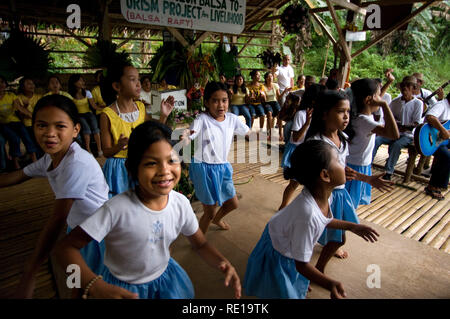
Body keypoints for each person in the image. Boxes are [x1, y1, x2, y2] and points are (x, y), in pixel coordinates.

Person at [55, 120, 241, 299]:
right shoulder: (116, 209)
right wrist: (93, 284)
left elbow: (200, 244)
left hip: (166, 282)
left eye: (172, 160)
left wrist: (221, 262)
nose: (164, 170)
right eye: (151, 163)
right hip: (123, 287)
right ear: (133, 168)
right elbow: (65, 248)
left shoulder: (180, 204)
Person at [0, 94, 109, 298]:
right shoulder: (51, 158)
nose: (50, 133)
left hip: (97, 233)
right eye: (42, 125)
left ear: (76, 130)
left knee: (96, 280)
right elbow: (18, 176)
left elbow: (57, 218)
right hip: (77, 228)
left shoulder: (77, 163)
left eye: (60, 126)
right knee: (76, 278)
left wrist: (31, 271)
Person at [243, 140, 379, 299]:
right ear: (325, 175)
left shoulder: (323, 196)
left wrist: (352, 227)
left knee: (291, 279)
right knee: (280, 290)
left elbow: (324, 220)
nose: (344, 166)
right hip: (279, 248)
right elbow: (301, 265)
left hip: (283, 234)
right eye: (339, 161)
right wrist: (330, 284)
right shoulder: (307, 215)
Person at [305, 91, 391, 269]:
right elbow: (312, 176)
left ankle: (318, 266)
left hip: (339, 194)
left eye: (348, 112)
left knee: (337, 237)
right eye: (340, 111)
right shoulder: (317, 143)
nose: (346, 116)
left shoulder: (342, 138)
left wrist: (367, 179)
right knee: (318, 236)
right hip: (322, 196)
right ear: (324, 114)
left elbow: (344, 170)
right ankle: (313, 269)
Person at [183, 82, 250, 233]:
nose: (220, 105)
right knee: (209, 211)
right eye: (215, 100)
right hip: (203, 168)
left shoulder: (232, 119)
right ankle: (199, 242)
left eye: (224, 100)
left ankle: (217, 220)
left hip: (222, 166)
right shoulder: (202, 119)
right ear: (206, 102)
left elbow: (247, 132)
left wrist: (265, 136)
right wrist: (185, 137)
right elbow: (190, 133)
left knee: (233, 203)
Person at [100, 63, 174, 198]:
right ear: (117, 86)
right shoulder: (107, 114)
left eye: (138, 79)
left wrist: (163, 115)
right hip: (118, 170)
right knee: (121, 207)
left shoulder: (140, 107)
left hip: (139, 164)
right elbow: (106, 152)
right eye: (132, 79)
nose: (138, 84)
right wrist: (119, 146)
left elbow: (152, 133)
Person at [344, 79, 398, 208]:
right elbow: (394, 134)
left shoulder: (361, 116)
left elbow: (372, 99)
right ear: (369, 100)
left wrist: (386, 85)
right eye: (378, 95)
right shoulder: (364, 121)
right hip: (356, 167)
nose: (381, 98)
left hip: (358, 164)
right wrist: (385, 105)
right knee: (348, 206)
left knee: (348, 205)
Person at [279, 84, 326, 210]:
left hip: (310, 152)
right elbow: (295, 138)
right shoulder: (301, 114)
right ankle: (283, 207)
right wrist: (306, 124)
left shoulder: (320, 114)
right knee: (294, 183)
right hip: (298, 152)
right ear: (313, 100)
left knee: (309, 184)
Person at [372, 76, 423, 180]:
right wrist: (395, 125)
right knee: (377, 140)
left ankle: (388, 171)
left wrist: (402, 126)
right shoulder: (395, 102)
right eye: (403, 86)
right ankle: (368, 164)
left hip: (407, 135)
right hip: (392, 132)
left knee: (397, 145)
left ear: (413, 89)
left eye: (408, 86)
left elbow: (416, 123)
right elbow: (388, 117)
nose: (405, 88)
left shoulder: (418, 103)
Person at [0, 75, 38, 170]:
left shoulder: (11, 96)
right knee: (15, 138)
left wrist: (34, 118)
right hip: (3, 124)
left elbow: (20, 108)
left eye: (2, 82)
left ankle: (34, 160)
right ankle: (15, 163)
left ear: (5, 84)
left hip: (16, 122)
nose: (0, 84)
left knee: (26, 135)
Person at [68, 74, 103, 156]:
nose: (83, 82)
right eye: (80, 80)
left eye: (83, 80)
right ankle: (88, 150)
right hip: (79, 115)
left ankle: (99, 150)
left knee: (95, 127)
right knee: (86, 129)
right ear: (74, 83)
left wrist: (105, 109)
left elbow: (94, 106)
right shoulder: (70, 95)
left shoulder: (87, 93)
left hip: (88, 113)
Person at [423, 92, 449, 200]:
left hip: (442, 140)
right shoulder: (442, 105)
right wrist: (442, 130)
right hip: (429, 140)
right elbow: (430, 117)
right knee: (446, 156)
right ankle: (433, 186)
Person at [16, 77, 43, 158]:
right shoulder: (18, 98)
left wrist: (26, 111)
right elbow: (20, 115)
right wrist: (24, 107)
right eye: (28, 84)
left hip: (38, 124)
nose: (32, 86)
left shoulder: (39, 97)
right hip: (27, 125)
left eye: (32, 83)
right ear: (22, 87)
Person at [262, 72, 282, 139]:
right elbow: (264, 98)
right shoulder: (263, 86)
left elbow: (278, 97)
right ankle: (270, 133)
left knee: (280, 113)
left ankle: (280, 133)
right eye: (268, 77)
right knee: (269, 113)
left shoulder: (275, 85)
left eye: (271, 76)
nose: (270, 78)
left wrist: (284, 91)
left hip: (274, 102)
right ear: (265, 78)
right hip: (267, 102)